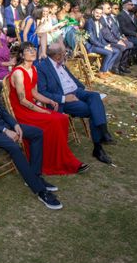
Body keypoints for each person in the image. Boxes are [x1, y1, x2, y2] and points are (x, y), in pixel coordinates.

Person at [0, 49, 62, 210]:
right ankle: (40, 190)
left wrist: (14, 124)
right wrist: (5, 130)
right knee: (14, 147)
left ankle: (34, 176)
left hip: (0, 124)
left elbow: (1, 108)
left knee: (37, 133)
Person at [8, 42, 88, 175]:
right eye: (28, 50)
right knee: (54, 120)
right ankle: (56, 161)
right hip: (22, 112)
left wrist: (50, 100)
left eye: (34, 49)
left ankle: (59, 157)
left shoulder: (33, 69)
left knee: (62, 118)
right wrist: (42, 110)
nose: (33, 52)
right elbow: (22, 100)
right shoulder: (18, 73)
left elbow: (34, 93)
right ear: (22, 55)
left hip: (31, 108)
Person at [36, 42, 115, 164]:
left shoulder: (61, 63)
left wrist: (83, 90)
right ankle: (98, 147)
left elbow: (71, 79)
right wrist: (64, 98)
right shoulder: (42, 67)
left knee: (94, 96)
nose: (66, 54)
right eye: (64, 53)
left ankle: (103, 132)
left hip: (77, 91)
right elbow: (42, 92)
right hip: (65, 98)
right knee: (93, 110)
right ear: (57, 56)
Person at [85, 7, 121, 77]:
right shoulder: (89, 22)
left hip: (98, 45)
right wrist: (104, 47)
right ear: (93, 12)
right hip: (91, 46)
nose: (98, 15)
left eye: (100, 13)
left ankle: (106, 69)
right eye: (97, 13)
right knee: (109, 52)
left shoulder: (99, 22)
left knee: (117, 51)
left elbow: (100, 37)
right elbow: (92, 40)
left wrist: (107, 45)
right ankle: (101, 72)